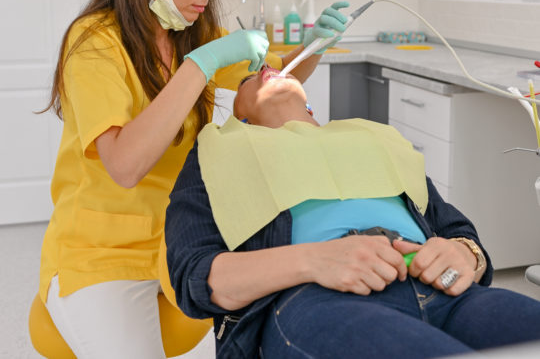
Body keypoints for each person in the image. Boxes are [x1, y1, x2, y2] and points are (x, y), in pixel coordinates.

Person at [38, 0, 349, 359]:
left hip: (179, 240)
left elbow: (272, 81)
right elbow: (125, 166)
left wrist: (314, 45)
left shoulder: (193, 34)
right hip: (101, 250)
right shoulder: (95, 42)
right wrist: (200, 66)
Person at [165, 65, 540, 359]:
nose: (266, 69)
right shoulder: (216, 153)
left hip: (443, 291)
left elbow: (456, 229)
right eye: (249, 79)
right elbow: (194, 278)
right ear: (242, 117)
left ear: (309, 105)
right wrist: (314, 260)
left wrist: (463, 253)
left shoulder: (372, 139)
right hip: (319, 301)